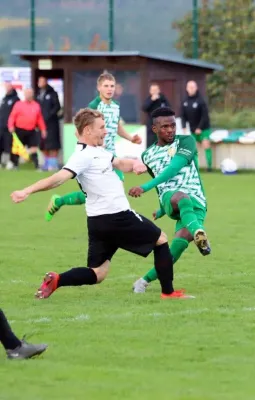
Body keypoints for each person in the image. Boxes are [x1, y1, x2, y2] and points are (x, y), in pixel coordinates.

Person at [11, 108, 186, 299]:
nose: (106, 131)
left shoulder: (98, 151)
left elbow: (118, 163)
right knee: (160, 239)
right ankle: (168, 293)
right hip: (117, 216)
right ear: (87, 130)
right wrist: (27, 191)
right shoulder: (82, 156)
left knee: (98, 273)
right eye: (102, 128)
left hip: (98, 222)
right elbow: (58, 178)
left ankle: (57, 279)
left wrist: (138, 164)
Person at [129, 107, 210, 293]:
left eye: (173, 125)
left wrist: (154, 202)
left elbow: (173, 169)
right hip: (171, 198)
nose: (170, 130)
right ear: (155, 129)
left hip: (196, 201)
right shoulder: (147, 155)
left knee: (177, 247)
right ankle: (199, 231)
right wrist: (161, 204)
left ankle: (143, 281)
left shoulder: (186, 141)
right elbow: (161, 184)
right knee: (181, 196)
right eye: (165, 127)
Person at [45, 72, 142, 221]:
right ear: (99, 87)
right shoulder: (94, 106)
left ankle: (59, 201)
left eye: (112, 86)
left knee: (110, 193)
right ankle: (61, 202)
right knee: (103, 193)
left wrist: (130, 138)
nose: (109, 89)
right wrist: (89, 148)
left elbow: (115, 126)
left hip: (111, 154)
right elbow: (80, 130)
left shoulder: (116, 106)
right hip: (97, 155)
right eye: (106, 86)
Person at [7, 87, 46, 170]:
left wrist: (43, 129)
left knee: (34, 147)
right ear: (24, 94)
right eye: (27, 93)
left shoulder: (36, 105)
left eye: (30, 93)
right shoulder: (18, 104)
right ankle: (14, 164)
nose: (28, 94)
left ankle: (36, 166)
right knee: (17, 148)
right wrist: (10, 126)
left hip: (31, 130)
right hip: (19, 130)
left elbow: (40, 119)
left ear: (32, 94)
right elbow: (12, 116)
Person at [180, 80, 213, 171]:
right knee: (193, 148)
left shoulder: (201, 100)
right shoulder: (184, 101)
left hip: (204, 128)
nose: (191, 89)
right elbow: (183, 115)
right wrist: (183, 126)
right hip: (192, 129)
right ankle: (195, 167)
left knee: (206, 144)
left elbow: (205, 116)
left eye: (193, 87)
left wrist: (200, 127)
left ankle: (209, 167)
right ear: (187, 89)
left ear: (196, 88)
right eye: (189, 87)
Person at [37, 76, 62, 171]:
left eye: (42, 81)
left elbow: (57, 106)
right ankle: (46, 164)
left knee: (53, 144)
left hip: (52, 124)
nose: (40, 82)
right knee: (43, 144)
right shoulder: (39, 94)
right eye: (39, 81)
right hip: (41, 124)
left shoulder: (52, 93)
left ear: (46, 82)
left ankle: (53, 164)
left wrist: (48, 116)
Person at [142, 83, 171, 147]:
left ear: (159, 90)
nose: (154, 92)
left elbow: (169, 109)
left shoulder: (163, 99)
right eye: (153, 90)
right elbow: (144, 108)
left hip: (162, 126)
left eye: (156, 90)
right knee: (151, 144)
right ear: (150, 91)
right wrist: (152, 100)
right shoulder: (149, 99)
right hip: (151, 126)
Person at [0, 81, 19, 168]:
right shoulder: (4, 99)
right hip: (1, 126)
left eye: (8, 86)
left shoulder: (16, 99)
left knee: (10, 145)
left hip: (10, 127)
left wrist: (13, 124)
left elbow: (16, 114)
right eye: (6, 87)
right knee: (1, 144)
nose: (7, 88)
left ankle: (12, 162)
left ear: (11, 87)